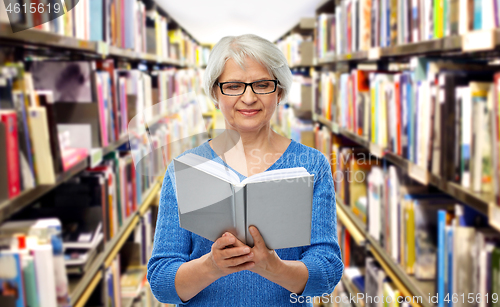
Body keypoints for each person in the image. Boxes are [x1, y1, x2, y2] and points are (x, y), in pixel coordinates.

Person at [147, 34, 344, 306]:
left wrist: (274, 267)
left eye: (262, 85)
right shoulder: (184, 170)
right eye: (234, 86)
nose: (248, 98)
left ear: (280, 91)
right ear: (215, 93)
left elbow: (327, 271)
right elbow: (161, 282)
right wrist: (213, 265)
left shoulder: (312, 165)